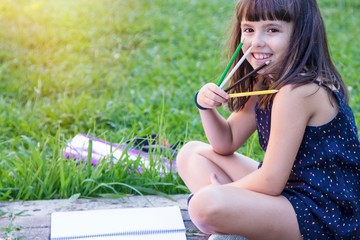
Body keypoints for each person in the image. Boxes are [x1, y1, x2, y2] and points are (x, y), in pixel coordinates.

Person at [176, 0, 360, 239]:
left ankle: (238, 220)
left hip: (324, 211)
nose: (256, 43)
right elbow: (226, 142)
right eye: (249, 29)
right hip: (289, 191)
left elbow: (271, 181)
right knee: (192, 154)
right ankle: (241, 220)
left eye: (272, 30)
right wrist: (206, 107)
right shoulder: (265, 79)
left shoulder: (297, 91)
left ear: (301, 34)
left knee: (204, 205)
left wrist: (223, 192)